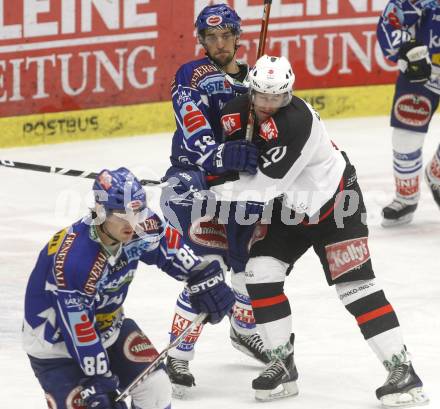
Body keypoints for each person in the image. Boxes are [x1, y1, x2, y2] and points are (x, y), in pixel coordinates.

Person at [208, 55, 429, 407]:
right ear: (251, 91)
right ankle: (282, 362)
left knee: (355, 288)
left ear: (289, 94)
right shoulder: (238, 111)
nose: (267, 105)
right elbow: (217, 158)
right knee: (260, 272)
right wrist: (219, 161)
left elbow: (263, 187)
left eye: (276, 97)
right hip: (291, 207)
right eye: (261, 96)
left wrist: (211, 188)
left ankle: (402, 369)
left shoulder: (298, 121)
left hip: (335, 206)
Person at [22, 167, 235, 409]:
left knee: (156, 388)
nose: (132, 223)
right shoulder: (76, 258)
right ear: (101, 212)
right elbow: (78, 328)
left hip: (109, 328)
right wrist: (98, 380)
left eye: (137, 211)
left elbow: (175, 255)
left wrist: (205, 279)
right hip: (55, 346)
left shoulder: (144, 225)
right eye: (122, 214)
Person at [161, 3, 267, 397]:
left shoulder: (256, 79)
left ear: (238, 38)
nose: (220, 44)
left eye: (226, 36)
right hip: (195, 183)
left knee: (251, 264)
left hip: (241, 188)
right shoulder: (193, 74)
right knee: (208, 267)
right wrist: (220, 156)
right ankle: (177, 356)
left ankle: (244, 329)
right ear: (201, 40)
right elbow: (194, 129)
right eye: (211, 38)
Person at [377, 0, 440, 226]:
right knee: (406, 138)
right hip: (422, 72)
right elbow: (390, 22)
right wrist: (408, 49)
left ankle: (438, 173)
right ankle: (406, 198)